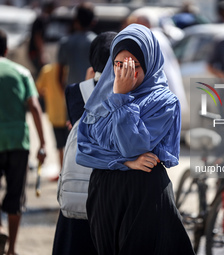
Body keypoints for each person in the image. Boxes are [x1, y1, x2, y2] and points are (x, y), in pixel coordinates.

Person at [76, 24, 195, 255]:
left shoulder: (163, 101)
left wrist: (121, 98)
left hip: (143, 194)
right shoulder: (102, 96)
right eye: (118, 66)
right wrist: (125, 162)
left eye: (134, 66)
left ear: (149, 63)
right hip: (104, 192)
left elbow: (132, 145)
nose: (125, 75)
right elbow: (85, 149)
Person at [52, 31, 117, 255]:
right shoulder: (129, 92)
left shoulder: (75, 91)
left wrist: (91, 77)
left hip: (79, 190)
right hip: (112, 190)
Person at [0, 29, 46, 255]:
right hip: (19, 141)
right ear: (6, 49)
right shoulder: (21, 72)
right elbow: (35, 108)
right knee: (15, 196)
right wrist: (43, 144)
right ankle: (12, 250)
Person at [35, 63, 68, 181]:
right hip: (69, 114)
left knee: (60, 146)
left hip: (55, 114)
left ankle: (62, 173)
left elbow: (38, 89)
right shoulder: (68, 68)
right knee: (72, 145)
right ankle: (70, 173)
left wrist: (49, 94)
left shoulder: (47, 70)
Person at [57, 2, 96, 89]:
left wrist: (66, 94)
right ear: (93, 21)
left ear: (75, 20)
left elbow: (59, 75)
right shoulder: (96, 43)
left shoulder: (65, 42)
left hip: (73, 91)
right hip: (91, 91)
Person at [28, 0, 56, 78]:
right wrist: (41, 54)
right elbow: (38, 37)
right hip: (35, 52)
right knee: (42, 73)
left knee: (41, 73)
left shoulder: (42, 19)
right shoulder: (42, 19)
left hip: (35, 51)